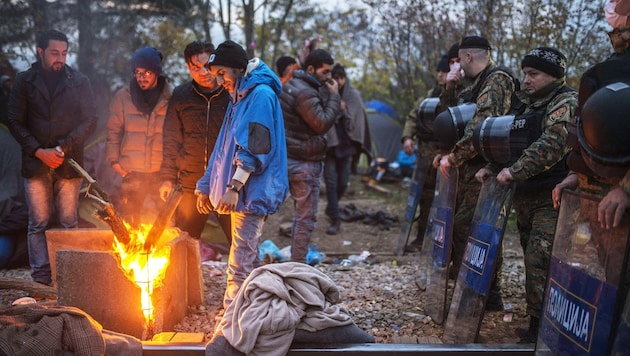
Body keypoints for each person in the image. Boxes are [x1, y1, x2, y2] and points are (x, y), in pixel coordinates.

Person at [475, 47, 577, 342]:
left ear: (553, 75)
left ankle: (545, 329)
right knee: (532, 258)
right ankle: (537, 323)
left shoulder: (565, 101)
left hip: (552, 197)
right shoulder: (526, 105)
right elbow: (509, 141)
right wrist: (492, 167)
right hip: (526, 196)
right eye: (525, 73)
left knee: (540, 258)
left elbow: (553, 144)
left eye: (533, 74)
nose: (526, 80)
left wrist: (513, 171)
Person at [196, 40, 288, 309]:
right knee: (249, 258)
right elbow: (222, 148)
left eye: (222, 72)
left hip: (251, 191)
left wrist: (234, 187)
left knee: (239, 264)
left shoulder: (260, 95)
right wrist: (205, 184)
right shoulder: (238, 96)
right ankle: (256, 314)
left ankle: (232, 324)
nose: (219, 80)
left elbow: (254, 147)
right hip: (242, 191)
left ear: (238, 68)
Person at [7, 29, 98, 285]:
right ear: (40, 52)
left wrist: (63, 148)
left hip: (68, 162)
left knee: (69, 221)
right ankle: (42, 277)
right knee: (38, 222)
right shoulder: (25, 81)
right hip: (36, 163)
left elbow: (90, 118)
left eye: (64, 53)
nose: (60, 58)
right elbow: (14, 120)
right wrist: (39, 151)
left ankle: (69, 276)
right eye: (55, 53)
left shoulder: (78, 81)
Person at [434, 35, 517, 310]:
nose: (457, 66)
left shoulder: (497, 79)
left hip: (488, 166)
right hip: (472, 167)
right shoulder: (474, 85)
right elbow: (448, 118)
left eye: (459, 60)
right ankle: (480, 292)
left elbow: (479, 128)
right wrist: (450, 86)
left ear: (468, 57)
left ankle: (475, 293)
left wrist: (453, 157)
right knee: (474, 227)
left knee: (474, 227)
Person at [158, 40, 231, 243]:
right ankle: (186, 276)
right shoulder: (181, 95)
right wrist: (168, 177)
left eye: (207, 66)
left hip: (226, 184)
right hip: (191, 185)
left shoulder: (231, 93)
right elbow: (171, 138)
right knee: (184, 243)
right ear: (188, 68)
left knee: (239, 243)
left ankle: (244, 276)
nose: (203, 72)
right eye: (195, 68)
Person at [279, 49, 341, 263]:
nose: (329, 77)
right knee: (305, 218)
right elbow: (321, 123)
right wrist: (334, 97)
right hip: (304, 161)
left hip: (291, 156)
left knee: (298, 216)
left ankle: (295, 263)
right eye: (325, 72)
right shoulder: (305, 91)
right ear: (311, 69)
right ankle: (297, 266)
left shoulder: (295, 85)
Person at [106, 46, 173, 228]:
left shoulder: (170, 97)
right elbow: (112, 131)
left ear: (157, 73)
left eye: (147, 73)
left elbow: (176, 136)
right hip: (132, 172)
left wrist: (171, 171)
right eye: (137, 72)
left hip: (160, 172)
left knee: (164, 223)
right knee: (130, 222)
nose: (141, 78)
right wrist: (115, 162)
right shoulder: (122, 97)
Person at [402, 54, 450, 252]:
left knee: (444, 202)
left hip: (444, 156)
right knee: (424, 198)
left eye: (444, 71)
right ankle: (421, 238)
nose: (440, 75)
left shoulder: (458, 95)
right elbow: (413, 116)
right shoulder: (429, 96)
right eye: (439, 71)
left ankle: (441, 244)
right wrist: (407, 138)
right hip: (425, 156)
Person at [323, 63, 371, 235]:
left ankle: (331, 208)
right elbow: (323, 116)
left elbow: (357, 119)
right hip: (330, 144)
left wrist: (344, 111)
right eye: (334, 78)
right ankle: (335, 219)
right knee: (331, 182)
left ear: (343, 78)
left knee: (343, 182)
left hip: (347, 145)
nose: (337, 81)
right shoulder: (325, 92)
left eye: (339, 78)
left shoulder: (353, 96)